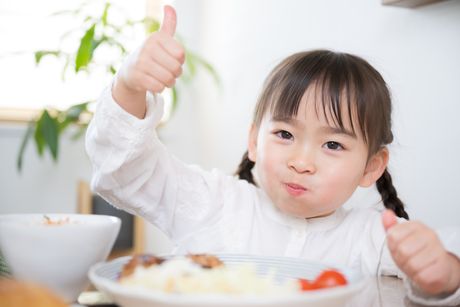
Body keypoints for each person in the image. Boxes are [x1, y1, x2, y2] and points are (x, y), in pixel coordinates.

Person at [85, 5, 460, 305]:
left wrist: (443, 274)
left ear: (372, 167)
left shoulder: (373, 240)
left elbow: (439, 270)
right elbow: (127, 169)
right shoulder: (211, 203)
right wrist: (130, 86)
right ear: (253, 140)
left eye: (332, 145)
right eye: (284, 134)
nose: (301, 161)